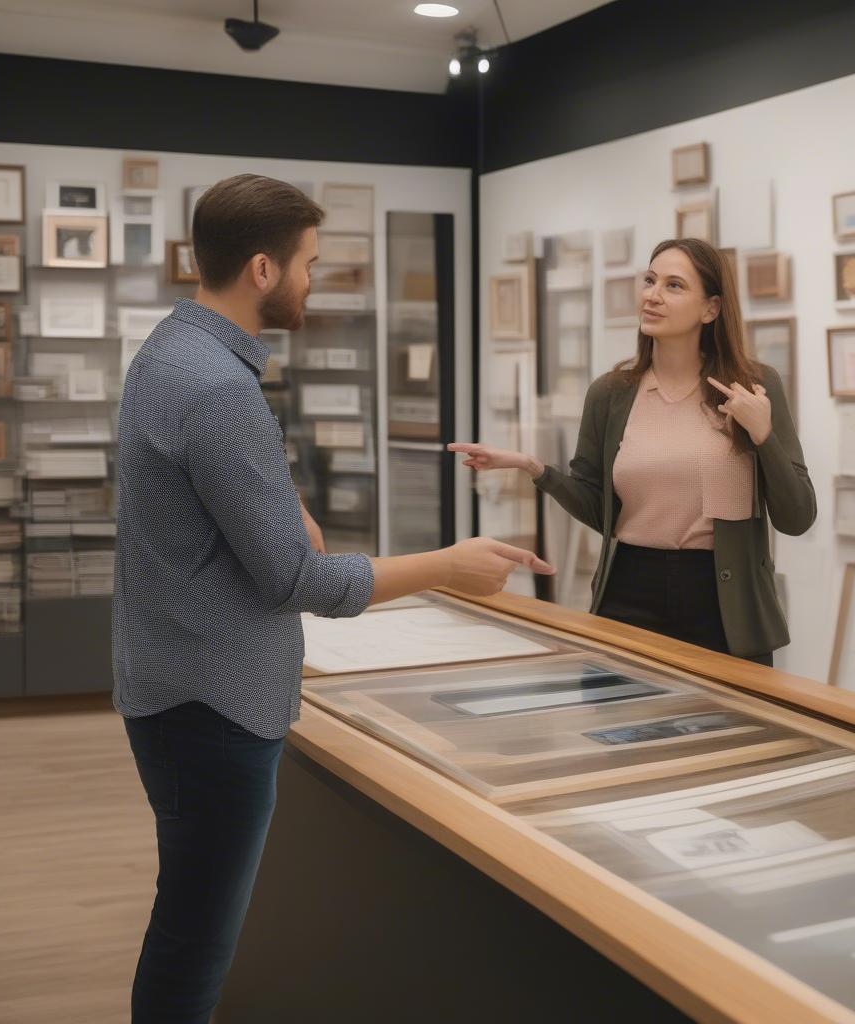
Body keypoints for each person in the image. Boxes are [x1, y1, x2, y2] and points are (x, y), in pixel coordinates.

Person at [113, 173, 553, 1024]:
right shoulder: (219, 388)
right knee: (194, 944)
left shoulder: (172, 351)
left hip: (175, 688)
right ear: (263, 270)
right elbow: (298, 582)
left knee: (188, 923)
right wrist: (449, 565)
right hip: (211, 705)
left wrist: (283, 511)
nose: (316, 280)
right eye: (310, 263)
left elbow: (215, 512)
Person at [450, 237, 815, 666]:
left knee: (725, 732)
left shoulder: (754, 385)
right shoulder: (611, 393)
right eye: (650, 279)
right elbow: (600, 509)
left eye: (674, 285)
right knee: (617, 729)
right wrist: (533, 468)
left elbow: (797, 517)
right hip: (628, 591)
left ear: (711, 309)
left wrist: (762, 433)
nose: (652, 295)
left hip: (722, 601)